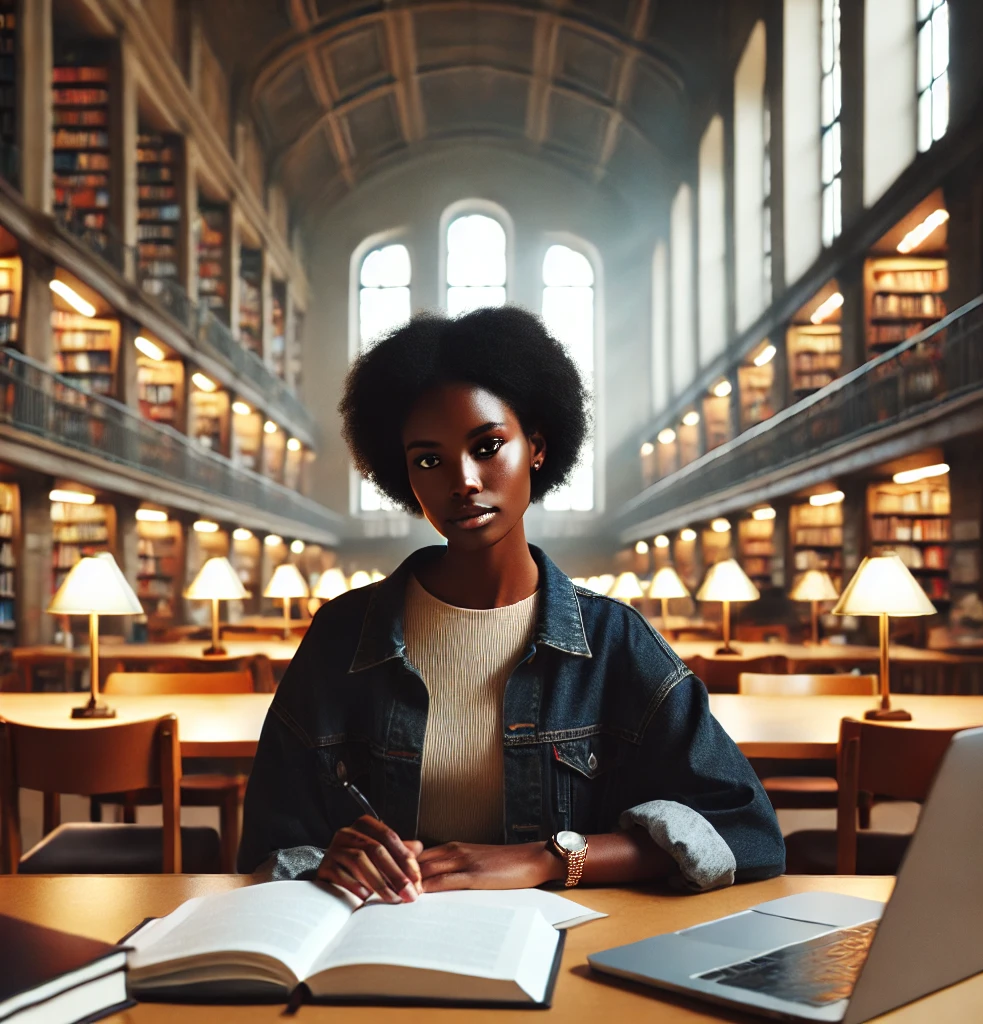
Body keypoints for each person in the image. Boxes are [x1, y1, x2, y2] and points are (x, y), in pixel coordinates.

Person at [238, 307, 785, 899]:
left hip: (562, 954)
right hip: (378, 952)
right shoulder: (342, 636)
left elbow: (746, 831)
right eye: (429, 460)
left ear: (538, 448)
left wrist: (550, 859)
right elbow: (268, 845)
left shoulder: (614, 643)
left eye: (488, 445)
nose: (463, 480)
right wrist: (327, 860)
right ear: (404, 474)